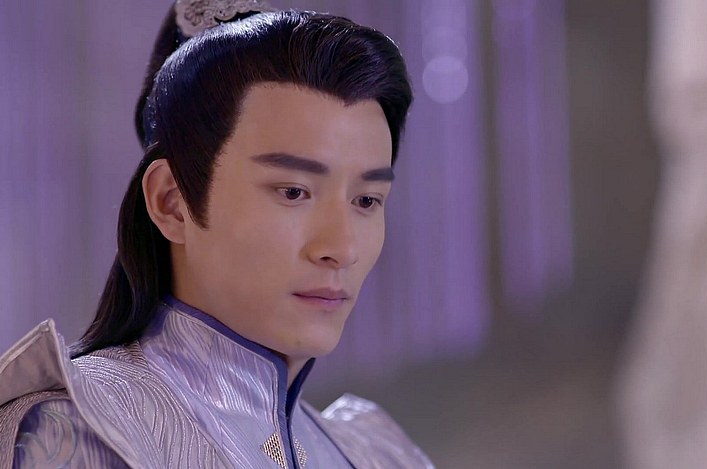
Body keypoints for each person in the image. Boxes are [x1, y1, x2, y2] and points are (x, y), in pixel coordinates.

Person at [0, 1, 433, 467]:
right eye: (293, 192)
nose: (341, 248)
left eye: (366, 200)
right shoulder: (80, 429)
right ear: (172, 201)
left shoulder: (376, 454)